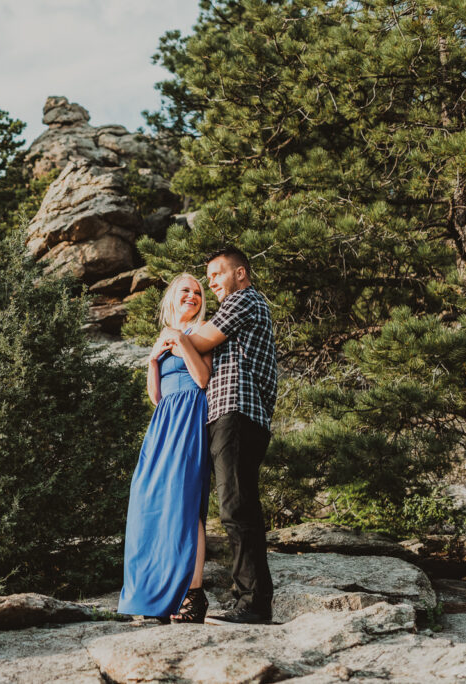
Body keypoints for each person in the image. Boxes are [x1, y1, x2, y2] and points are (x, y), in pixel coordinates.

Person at [167, 246, 278, 624]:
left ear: (240, 274)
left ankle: (252, 604)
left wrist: (173, 337)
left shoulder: (244, 300)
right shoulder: (234, 306)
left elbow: (196, 343)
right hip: (226, 415)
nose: (211, 281)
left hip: (239, 411)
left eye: (217, 273)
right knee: (235, 505)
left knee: (236, 506)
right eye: (209, 275)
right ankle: (250, 599)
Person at [118, 273, 213, 623]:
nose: (193, 295)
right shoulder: (165, 335)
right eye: (186, 290)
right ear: (172, 296)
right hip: (165, 418)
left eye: (198, 292)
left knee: (184, 503)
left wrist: (180, 341)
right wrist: (153, 359)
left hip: (190, 413)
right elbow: (156, 397)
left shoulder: (201, 331)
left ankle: (193, 595)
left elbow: (202, 379)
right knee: (147, 500)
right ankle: (156, 597)